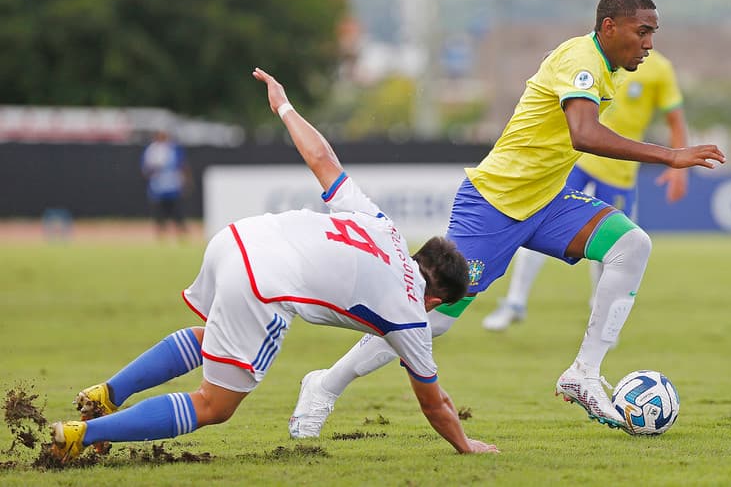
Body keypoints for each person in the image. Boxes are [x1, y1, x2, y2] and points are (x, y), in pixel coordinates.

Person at [287, 0, 725, 438]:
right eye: (643, 31)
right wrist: (670, 156)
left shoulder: (606, 66)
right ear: (610, 27)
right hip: (493, 205)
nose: (650, 43)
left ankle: (584, 373)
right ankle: (324, 385)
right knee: (429, 318)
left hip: (546, 202)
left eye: (653, 32)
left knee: (631, 244)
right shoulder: (581, 60)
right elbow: (584, 134)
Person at [49, 68, 498, 463]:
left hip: (237, 239)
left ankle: (107, 394)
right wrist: (465, 445)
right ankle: (83, 435)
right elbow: (435, 404)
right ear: (435, 299)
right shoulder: (411, 317)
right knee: (214, 406)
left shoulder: (385, 227)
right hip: (264, 281)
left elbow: (323, 159)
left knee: (217, 340)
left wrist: (284, 107)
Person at [483, 49, 689, 331]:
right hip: (577, 160)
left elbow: (675, 119)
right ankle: (515, 302)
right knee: (535, 220)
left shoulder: (659, 69)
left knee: (614, 244)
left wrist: (678, 168)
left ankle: (600, 314)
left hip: (619, 171)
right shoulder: (593, 59)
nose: (643, 40)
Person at [141, 129, 192, 240]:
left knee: (176, 211)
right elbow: (146, 170)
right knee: (159, 212)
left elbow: (182, 166)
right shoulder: (152, 150)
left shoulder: (173, 149)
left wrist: (185, 182)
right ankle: (161, 234)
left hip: (173, 186)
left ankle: (181, 233)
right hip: (158, 187)